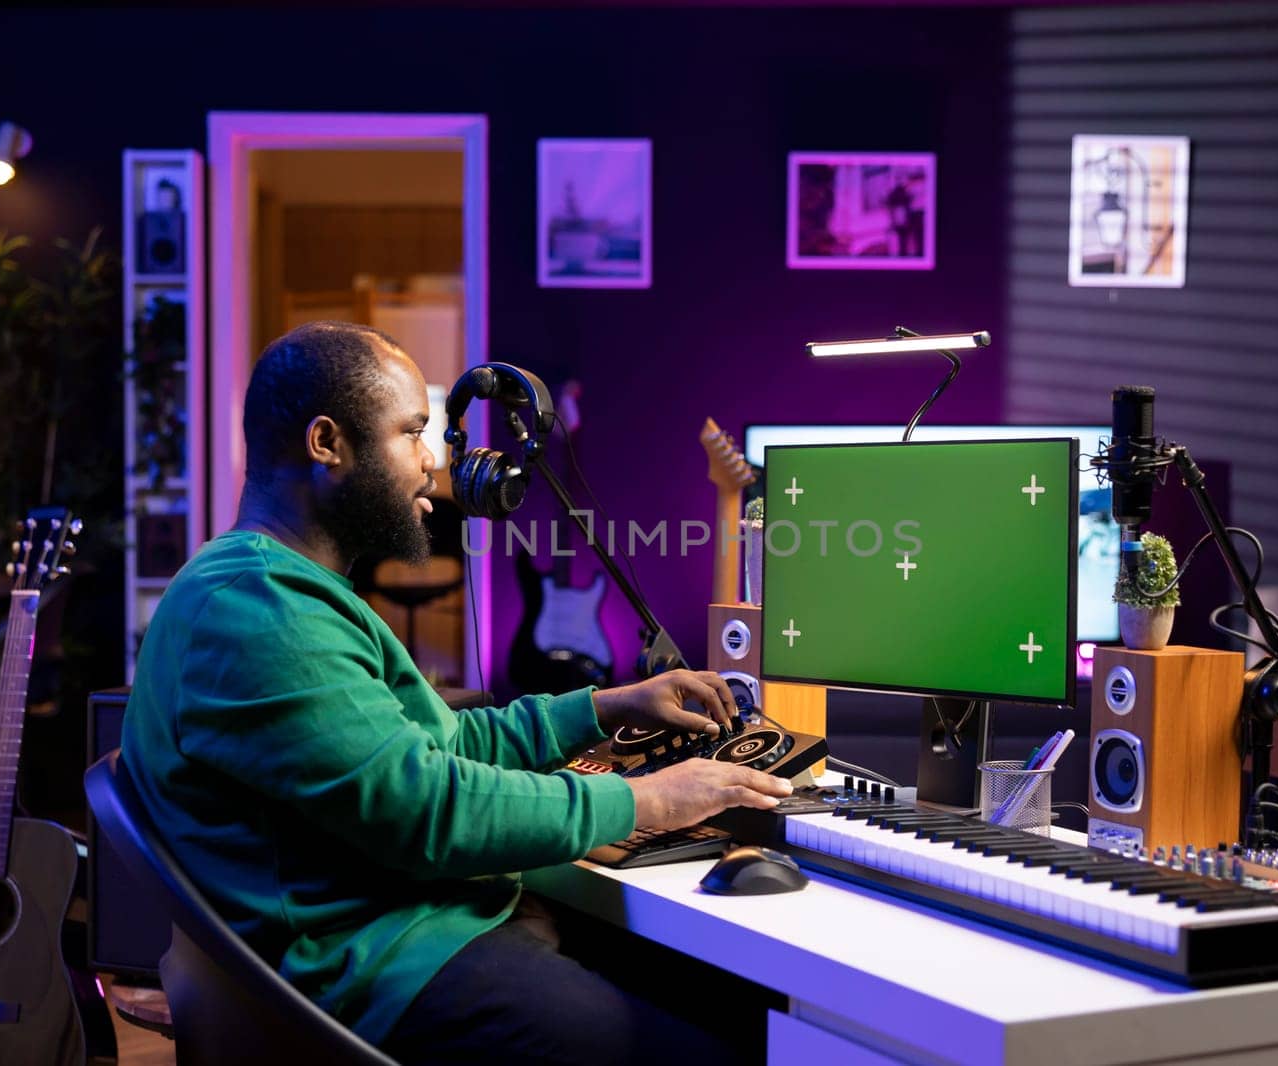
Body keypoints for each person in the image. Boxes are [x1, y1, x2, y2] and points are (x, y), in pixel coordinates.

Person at [120, 321, 793, 1064]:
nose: (432, 461)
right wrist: (657, 800)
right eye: (411, 432)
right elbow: (430, 807)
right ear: (326, 444)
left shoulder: (280, 590)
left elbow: (436, 744)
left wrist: (602, 707)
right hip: (370, 973)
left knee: (723, 995)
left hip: (390, 931)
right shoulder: (259, 613)